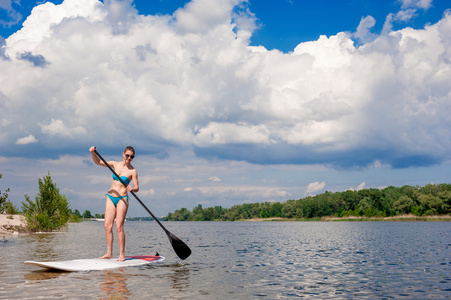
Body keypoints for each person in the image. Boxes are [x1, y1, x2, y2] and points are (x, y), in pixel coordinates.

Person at [89, 146, 139, 261]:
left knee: (119, 227)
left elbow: (137, 187)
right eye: (127, 155)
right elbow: (98, 162)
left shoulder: (133, 171)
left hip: (122, 198)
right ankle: (109, 253)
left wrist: (132, 189)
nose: (129, 158)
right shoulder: (115, 164)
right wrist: (93, 153)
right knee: (107, 226)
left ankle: (122, 254)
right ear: (123, 154)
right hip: (111, 196)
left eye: (132, 157)